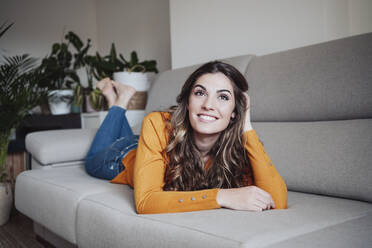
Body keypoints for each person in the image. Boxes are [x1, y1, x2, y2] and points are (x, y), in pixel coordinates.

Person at [85, 61, 287, 214]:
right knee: (91, 161)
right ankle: (119, 102)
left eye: (223, 97)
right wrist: (222, 196)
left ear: (236, 110)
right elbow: (145, 202)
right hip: (124, 156)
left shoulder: (238, 147)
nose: (208, 104)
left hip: (154, 147)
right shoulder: (155, 122)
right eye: (200, 93)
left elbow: (277, 201)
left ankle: (114, 99)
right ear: (188, 102)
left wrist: (246, 126)